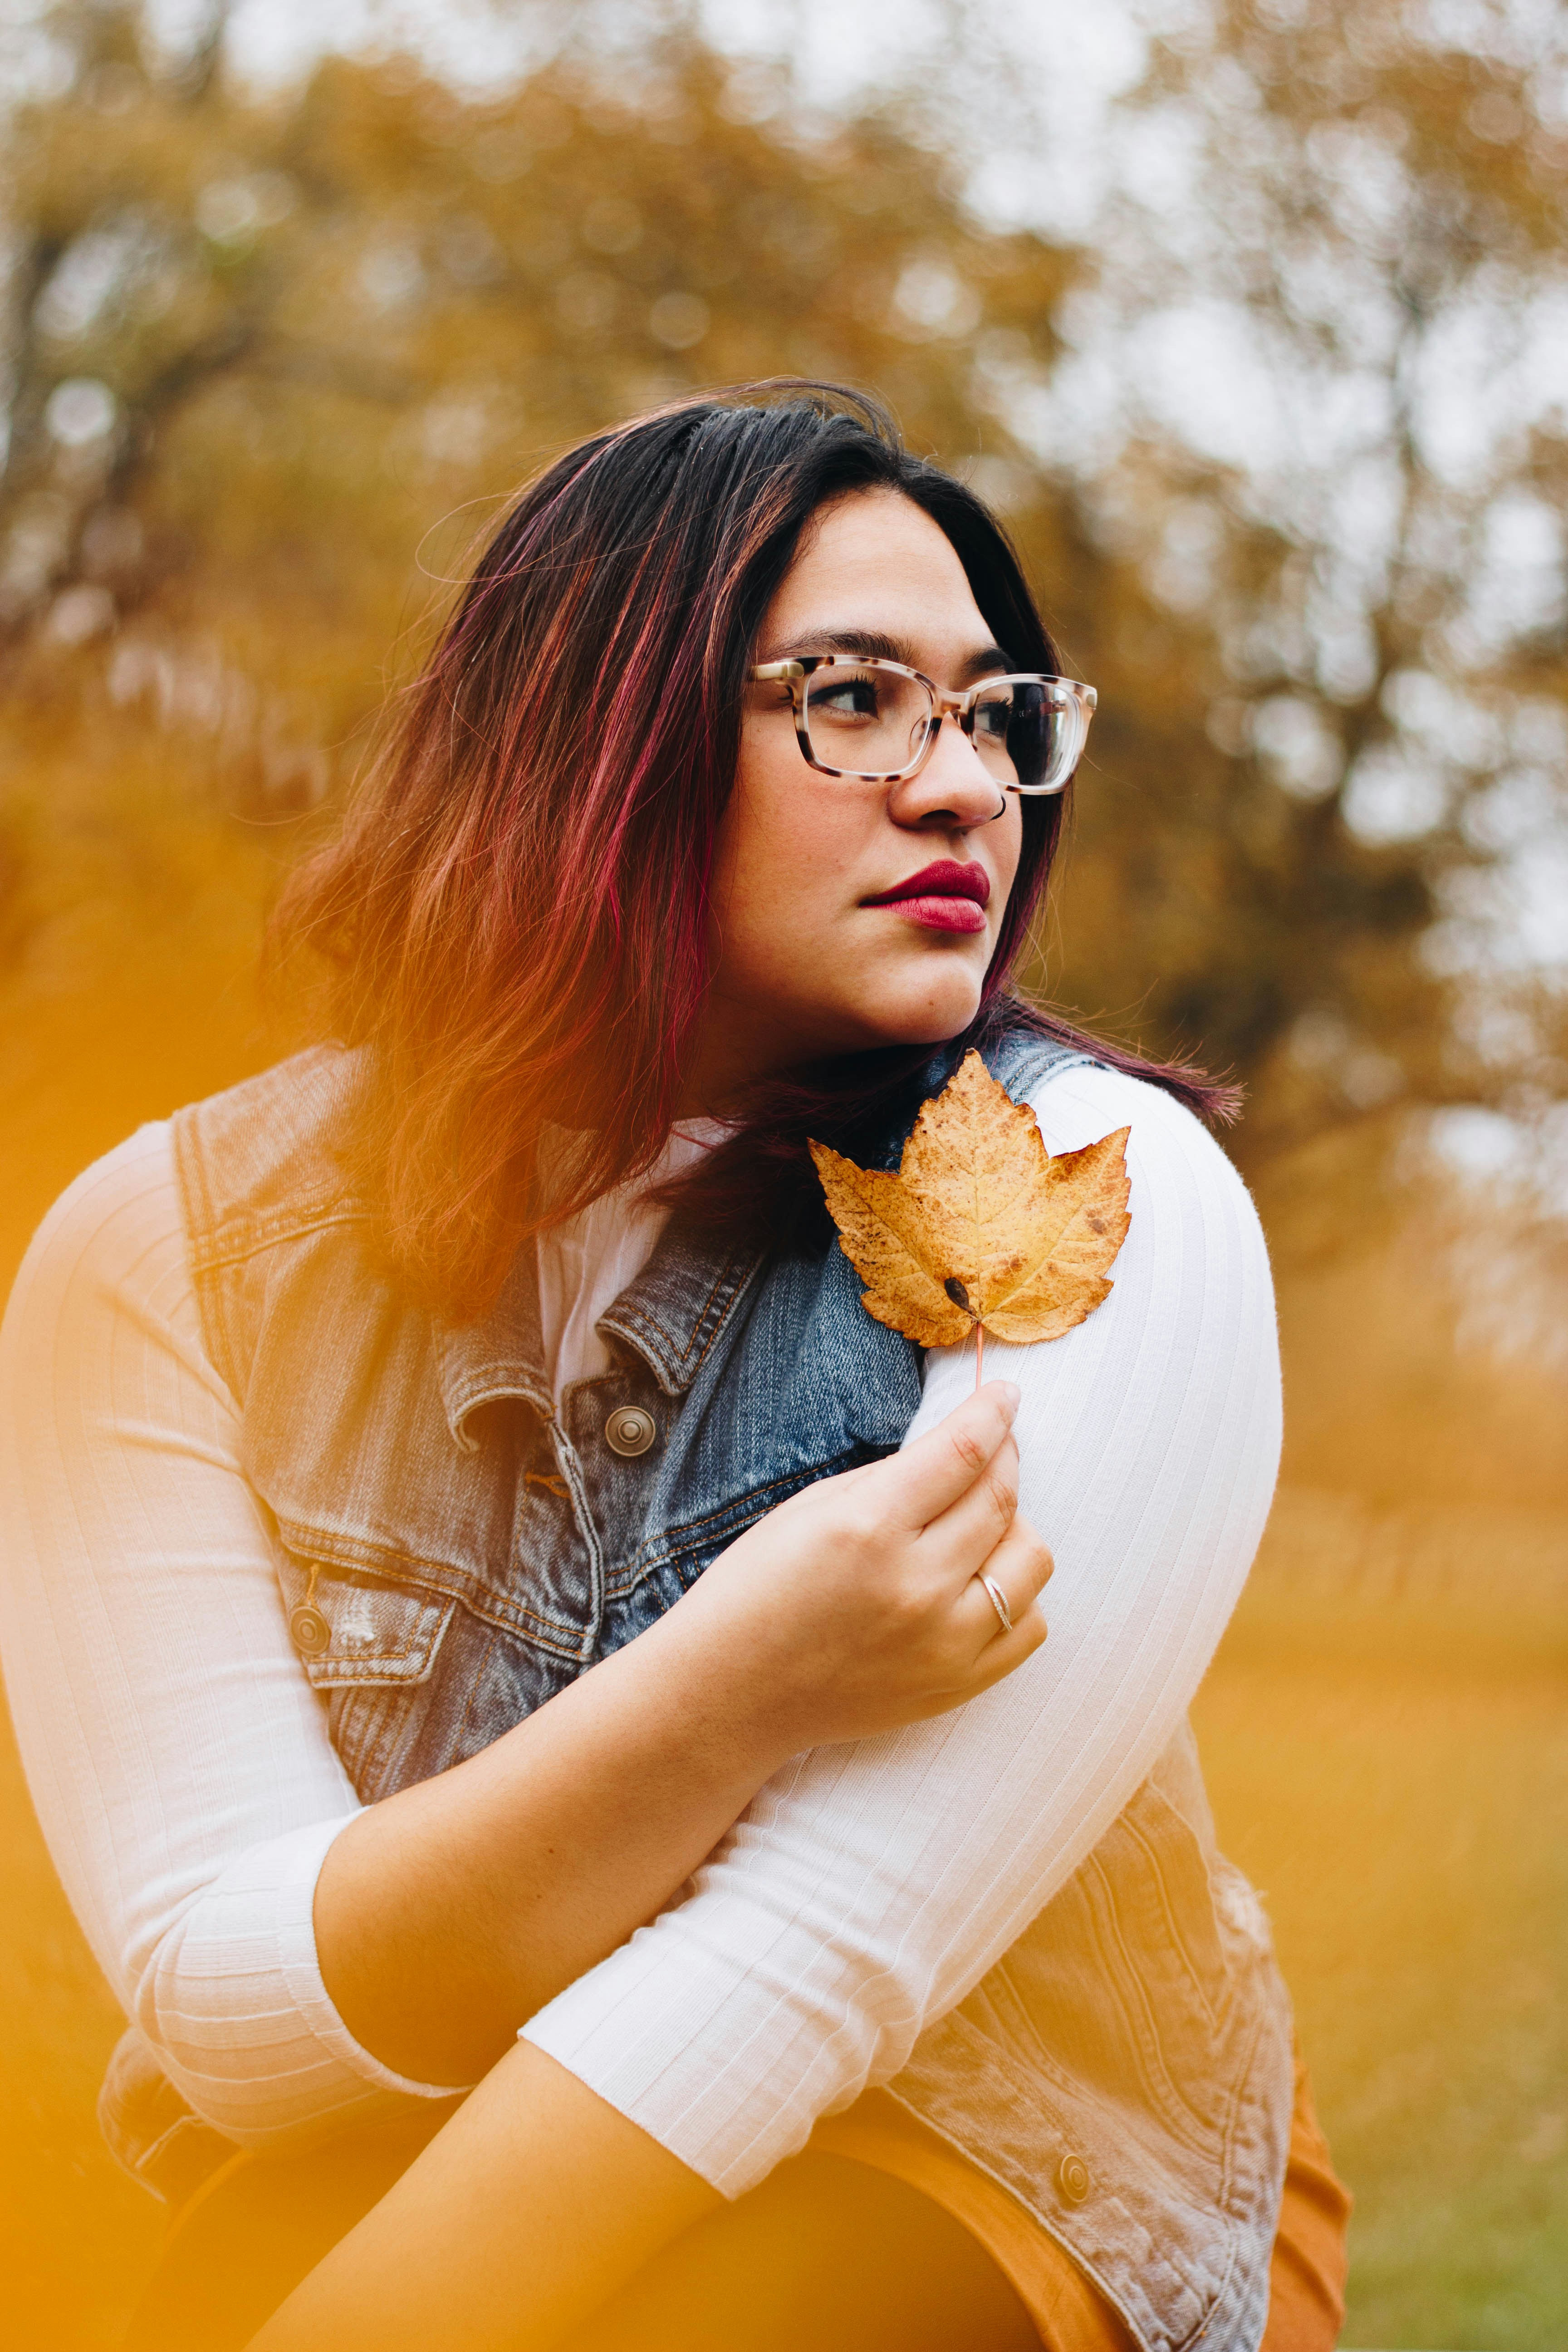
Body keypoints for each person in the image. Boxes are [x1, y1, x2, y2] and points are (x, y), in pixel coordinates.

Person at [0, 386, 1348, 2351]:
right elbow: (240, 2024)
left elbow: (820, 1964)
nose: (967, 784)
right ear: (592, 732)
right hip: (379, 2134)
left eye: (993, 715)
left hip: (1000, 2175)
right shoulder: (157, 1263)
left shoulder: (1095, 1195)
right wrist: (741, 1681)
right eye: (856, 697)